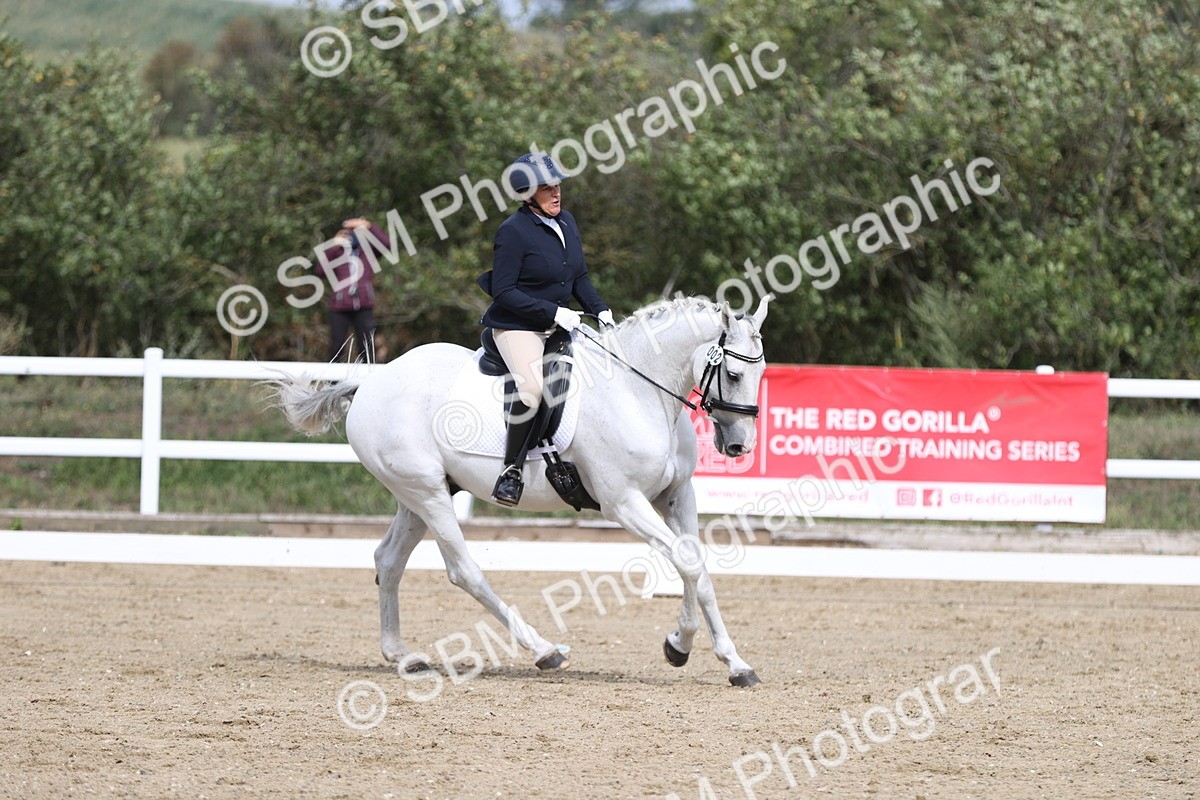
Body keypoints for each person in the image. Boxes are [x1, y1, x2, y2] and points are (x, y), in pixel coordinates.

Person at [477, 153, 614, 506]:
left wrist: (600, 310)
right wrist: (554, 311)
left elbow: (579, 277)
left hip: (556, 324)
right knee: (532, 390)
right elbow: (504, 291)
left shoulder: (566, 222)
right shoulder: (512, 232)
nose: (556, 193)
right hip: (517, 327)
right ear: (526, 194)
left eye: (557, 185)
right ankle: (511, 471)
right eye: (546, 188)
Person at [319, 217, 390, 363]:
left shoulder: (368, 251)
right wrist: (333, 246)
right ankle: (333, 384)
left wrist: (369, 226)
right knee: (337, 346)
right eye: (349, 231)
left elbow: (386, 244)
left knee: (366, 346)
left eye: (355, 231)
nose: (352, 234)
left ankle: (367, 383)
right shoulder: (337, 253)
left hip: (363, 304)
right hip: (339, 306)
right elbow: (320, 271)